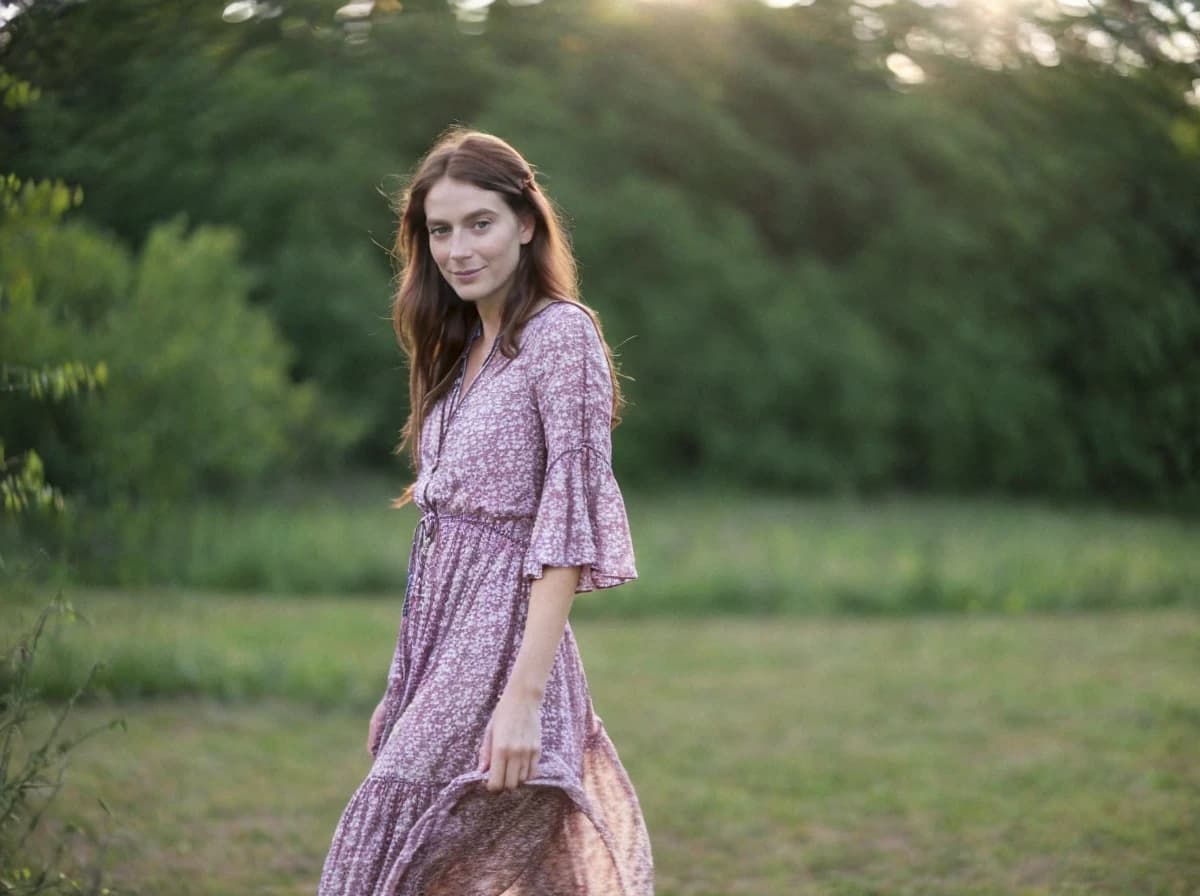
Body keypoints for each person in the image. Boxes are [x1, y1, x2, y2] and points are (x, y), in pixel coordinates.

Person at [317, 128, 654, 895]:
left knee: (382, 864)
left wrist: (523, 700)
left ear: (526, 223)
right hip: (441, 649)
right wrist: (401, 687)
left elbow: (565, 526)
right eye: (440, 230)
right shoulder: (459, 348)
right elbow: (443, 541)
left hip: (506, 650)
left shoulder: (559, 336)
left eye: (480, 224)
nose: (458, 249)